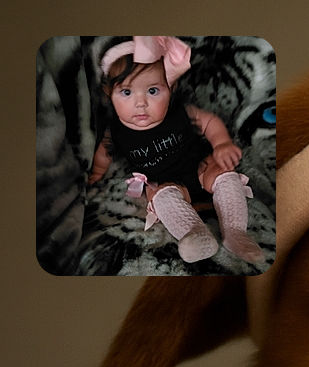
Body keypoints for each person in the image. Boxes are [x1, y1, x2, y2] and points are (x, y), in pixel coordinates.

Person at [89, 36, 263, 264]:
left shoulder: (181, 113)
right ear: (109, 94)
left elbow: (209, 122)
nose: (140, 103)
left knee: (225, 174)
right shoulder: (116, 132)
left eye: (152, 91)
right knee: (161, 195)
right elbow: (104, 153)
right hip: (163, 181)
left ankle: (235, 232)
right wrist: (97, 173)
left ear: (171, 89)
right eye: (127, 92)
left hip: (199, 166)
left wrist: (221, 144)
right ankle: (195, 233)